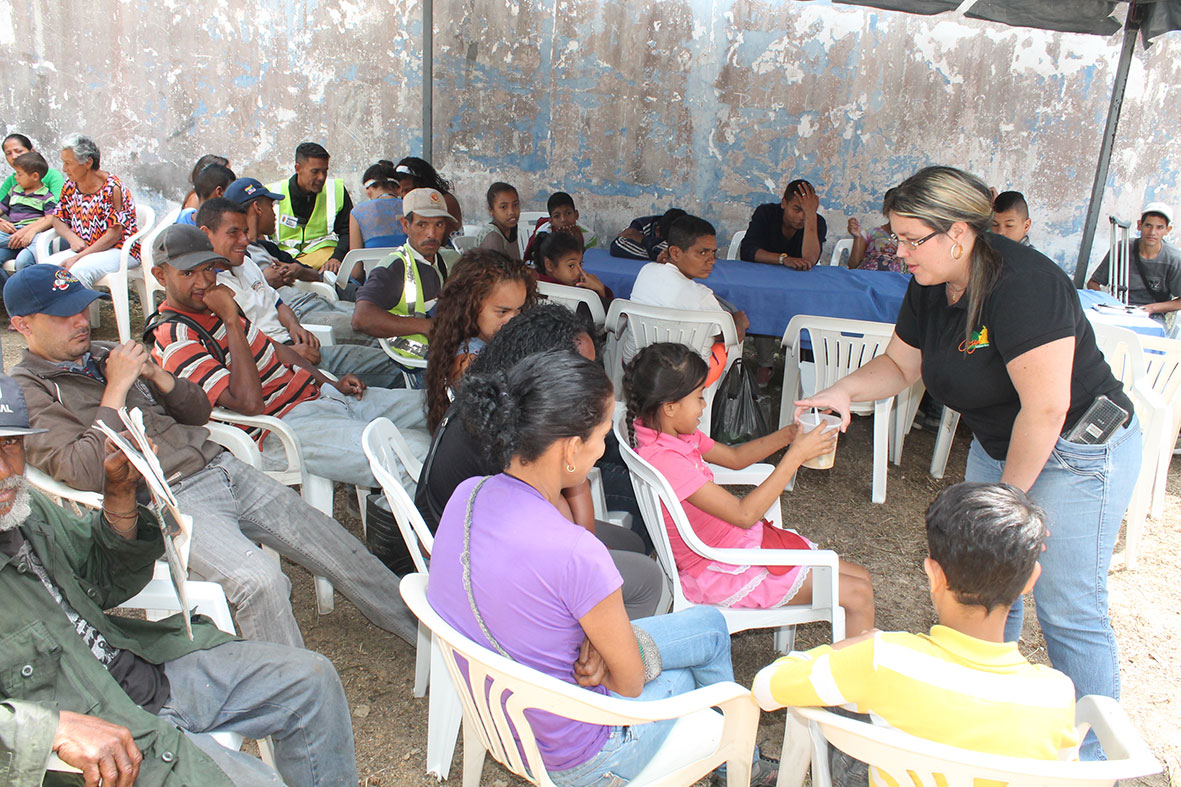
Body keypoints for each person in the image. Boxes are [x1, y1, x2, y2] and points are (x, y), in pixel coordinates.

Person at [795, 165, 1140, 760]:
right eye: (896, 236)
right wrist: (844, 390)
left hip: (1077, 446)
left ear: (958, 234)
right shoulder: (930, 279)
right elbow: (903, 367)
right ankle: (975, 728)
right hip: (1002, 440)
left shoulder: (1024, 283)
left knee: (1067, 605)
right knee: (982, 591)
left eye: (909, 239)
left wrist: (1006, 505)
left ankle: (1095, 764)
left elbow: (1046, 407)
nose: (898, 251)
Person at [6, 263, 422, 649]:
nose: (80, 321)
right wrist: (116, 389)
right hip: (166, 499)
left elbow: (200, 412)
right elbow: (80, 470)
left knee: (339, 546)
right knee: (260, 583)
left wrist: (158, 376)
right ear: (22, 325)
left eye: (81, 308)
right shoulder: (28, 391)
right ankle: (292, 694)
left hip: (219, 465)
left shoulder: (103, 353)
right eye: (63, 316)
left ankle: (430, 643)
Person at [428, 351, 778, 786]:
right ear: (571, 449)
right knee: (694, 675)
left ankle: (732, 763)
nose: (603, 451)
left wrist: (592, 639)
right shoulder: (576, 552)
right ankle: (735, 763)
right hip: (584, 754)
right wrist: (604, 650)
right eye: (601, 438)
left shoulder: (469, 494)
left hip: (504, 714)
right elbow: (628, 684)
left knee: (708, 627)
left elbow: (536, 601)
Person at [0, 373, 361, 786]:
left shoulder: (25, 513)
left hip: (139, 667)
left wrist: (120, 495)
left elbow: (104, 577)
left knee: (310, 681)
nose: (5, 470)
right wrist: (52, 729)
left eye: (10, 443)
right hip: (100, 738)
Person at [753, 482, 1080, 782]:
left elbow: (766, 687)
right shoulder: (1056, 696)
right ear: (1029, 581)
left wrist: (851, 648)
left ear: (934, 574)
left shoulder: (881, 660)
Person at [146, 224, 431, 496]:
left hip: (320, 396)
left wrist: (331, 381)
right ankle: (419, 535)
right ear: (161, 276)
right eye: (188, 273)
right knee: (415, 452)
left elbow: (276, 350)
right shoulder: (177, 337)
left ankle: (395, 506)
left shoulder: (209, 307)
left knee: (440, 407)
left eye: (208, 268)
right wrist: (231, 319)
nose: (204, 280)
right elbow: (249, 404)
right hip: (282, 429)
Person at [416, 305, 662, 619]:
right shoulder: (518, 436)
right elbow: (572, 539)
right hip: (485, 559)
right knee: (645, 575)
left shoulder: (496, 399)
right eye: (580, 368)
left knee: (627, 540)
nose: (590, 378)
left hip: (490, 531)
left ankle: (603, 619)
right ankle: (596, 635)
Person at [625, 342, 875, 629]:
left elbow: (734, 457)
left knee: (861, 579)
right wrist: (794, 458)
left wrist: (790, 435)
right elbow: (744, 514)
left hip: (735, 547)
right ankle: (856, 670)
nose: (704, 405)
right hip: (720, 567)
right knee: (858, 593)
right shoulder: (666, 460)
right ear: (670, 407)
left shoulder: (666, 434)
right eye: (699, 397)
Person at [196, 199, 404, 388]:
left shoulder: (246, 264)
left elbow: (278, 304)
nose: (244, 240)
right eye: (233, 233)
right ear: (206, 234)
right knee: (394, 369)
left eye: (245, 231)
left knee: (393, 358)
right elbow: (242, 347)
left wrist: (295, 327)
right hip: (280, 364)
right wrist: (291, 354)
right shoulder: (210, 291)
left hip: (299, 346)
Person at [228, 176, 363, 345]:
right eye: (271, 206)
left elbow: (315, 274)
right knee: (372, 329)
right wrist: (263, 281)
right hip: (300, 315)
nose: (274, 214)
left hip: (319, 300)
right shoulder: (238, 257)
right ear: (257, 208)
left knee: (376, 316)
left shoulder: (268, 248)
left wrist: (297, 271)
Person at [625, 215, 750, 380]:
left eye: (713, 252)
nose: (711, 260)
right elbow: (730, 336)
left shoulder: (646, 271)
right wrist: (740, 322)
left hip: (638, 367)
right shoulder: (702, 297)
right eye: (702, 252)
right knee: (728, 341)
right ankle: (723, 399)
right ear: (675, 252)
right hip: (685, 378)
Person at [352, 188, 461, 374]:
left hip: (448, 354)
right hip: (414, 365)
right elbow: (361, 318)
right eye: (422, 225)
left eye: (439, 225)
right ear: (405, 225)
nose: (431, 234)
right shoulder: (394, 266)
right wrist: (428, 327)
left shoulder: (450, 259)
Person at [424, 249, 535, 432]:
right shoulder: (468, 363)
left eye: (519, 310)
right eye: (502, 311)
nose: (515, 320)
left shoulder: (493, 341)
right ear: (471, 307)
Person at [45, 133, 140, 289]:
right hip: (85, 247)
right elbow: (58, 218)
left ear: (88, 162)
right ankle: (57, 313)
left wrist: (78, 257)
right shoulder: (71, 185)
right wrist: (71, 238)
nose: (64, 169)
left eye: (68, 163)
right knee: (46, 269)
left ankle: (79, 313)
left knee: (77, 271)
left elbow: (113, 235)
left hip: (119, 250)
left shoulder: (113, 188)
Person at [1087, 202, 1180, 325]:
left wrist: (1152, 308)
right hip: (1117, 310)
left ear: (1168, 230)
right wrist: (1109, 303)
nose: (1152, 232)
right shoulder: (1122, 248)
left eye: (1159, 227)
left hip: (1152, 316)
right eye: (1148, 225)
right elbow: (1093, 283)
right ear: (1139, 225)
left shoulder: (1174, 259)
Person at [267, 142, 353, 272]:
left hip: (325, 264)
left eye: (325, 171)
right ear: (298, 168)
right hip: (283, 265)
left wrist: (337, 257)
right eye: (315, 172)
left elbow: (348, 231)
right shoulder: (272, 193)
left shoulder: (336, 190)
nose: (321, 177)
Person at [740, 179, 828, 269]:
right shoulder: (766, 213)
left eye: (806, 211)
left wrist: (811, 215)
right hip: (761, 273)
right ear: (784, 203)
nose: (802, 216)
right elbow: (747, 251)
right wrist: (784, 259)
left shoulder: (817, 222)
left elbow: (810, 260)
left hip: (796, 278)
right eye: (797, 209)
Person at [0, 152, 57, 274]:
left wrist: (30, 231)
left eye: (19, 174)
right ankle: (8, 290)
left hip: (32, 236)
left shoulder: (46, 197)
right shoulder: (14, 191)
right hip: (12, 235)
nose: (15, 177)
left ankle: (26, 290)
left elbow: (50, 218)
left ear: (35, 176)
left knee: (22, 261)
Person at [534, 229, 613, 310]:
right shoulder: (570, 296)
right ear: (549, 265)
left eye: (580, 264)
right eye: (571, 266)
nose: (579, 272)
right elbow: (602, 317)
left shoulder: (534, 283)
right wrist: (600, 291)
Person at [392, 156, 463, 234]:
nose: (403, 196)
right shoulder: (405, 202)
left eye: (407, 190)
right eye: (399, 192)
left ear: (422, 184)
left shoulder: (443, 201)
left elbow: (439, 238)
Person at [523, 191, 599, 261]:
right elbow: (539, 261)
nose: (563, 219)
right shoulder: (543, 233)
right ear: (551, 221)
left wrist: (578, 244)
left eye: (568, 213)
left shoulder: (589, 235)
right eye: (557, 216)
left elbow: (592, 261)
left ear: (576, 215)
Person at [349, 160, 407, 249]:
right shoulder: (410, 207)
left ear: (368, 191)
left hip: (372, 263)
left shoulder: (357, 212)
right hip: (407, 262)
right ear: (398, 189)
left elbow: (355, 255)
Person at [847, 187, 902, 272]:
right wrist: (857, 237)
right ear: (886, 210)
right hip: (870, 279)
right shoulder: (872, 233)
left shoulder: (913, 238)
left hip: (898, 282)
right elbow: (853, 265)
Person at [1, 133, 66, 201]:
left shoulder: (52, 176)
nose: (14, 157)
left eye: (19, 151)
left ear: (31, 151)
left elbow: (58, 207)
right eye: (8, 153)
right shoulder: (10, 181)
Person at [609, 207, 686, 260]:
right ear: (657, 231)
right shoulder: (640, 226)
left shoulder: (687, 227)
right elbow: (618, 244)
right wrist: (656, 251)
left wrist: (643, 240)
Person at [475, 181, 522, 261]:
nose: (511, 212)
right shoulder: (492, 237)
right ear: (491, 210)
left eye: (515, 205)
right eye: (503, 207)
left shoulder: (511, 227)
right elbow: (495, 272)